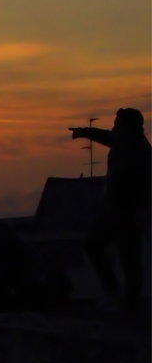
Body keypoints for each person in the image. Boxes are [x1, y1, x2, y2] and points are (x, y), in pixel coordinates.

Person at [69, 108, 152, 315]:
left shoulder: (140, 149)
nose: (114, 126)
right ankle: (114, 293)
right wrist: (84, 132)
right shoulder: (122, 141)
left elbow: (148, 182)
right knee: (94, 245)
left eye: (118, 123)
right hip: (113, 208)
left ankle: (129, 304)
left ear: (127, 126)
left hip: (130, 211)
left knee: (129, 258)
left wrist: (143, 209)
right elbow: (105, 135)